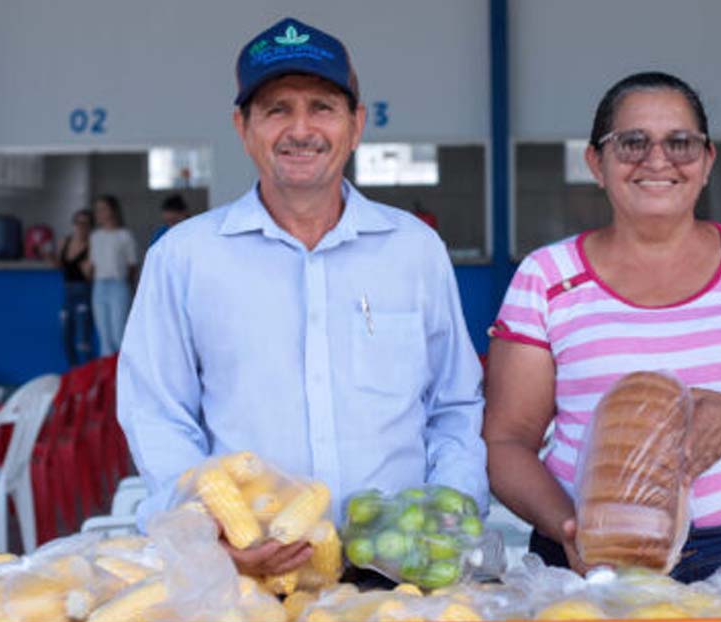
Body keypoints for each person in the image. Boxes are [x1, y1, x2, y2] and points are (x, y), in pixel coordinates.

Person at [117, 17, 487, 580]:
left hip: (399, 567)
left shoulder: (414, 250)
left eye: (322, 107)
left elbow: (454, 406)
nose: (301, 128)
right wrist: (209, 529)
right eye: (276, 109)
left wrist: (444, 517)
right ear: (243, 127)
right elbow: (157, 414)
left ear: (356, 124)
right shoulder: (186, 257)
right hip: (250, 571)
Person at [482, 71, 721, 603]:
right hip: (589, 558)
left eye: (679, 143)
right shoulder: (547, 277)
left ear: (706, 161)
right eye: (632, 142)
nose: (657, 160)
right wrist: (570, 527)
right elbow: (507, 442)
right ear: (597, 163)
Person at [89, 194, 138, 356]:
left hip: (118, 285)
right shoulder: (95, 237)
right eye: (97, 210)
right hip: (99, 286)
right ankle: (110, 379)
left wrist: (129, 288)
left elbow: (132, 265)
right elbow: (93, 265)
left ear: (113, 211)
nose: (99, 213)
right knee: (105, 338)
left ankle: (127, 377)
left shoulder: (124, 235)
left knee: (119, 334)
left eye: (103, 209)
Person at [50, 208, 94, 366]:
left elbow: (90, 274)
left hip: (84, 291)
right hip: (68, 291)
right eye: (78, 223)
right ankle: (75, 373)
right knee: (65, 337)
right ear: (73, 224)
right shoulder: (65, 241)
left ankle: (87, 376)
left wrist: (88, 268)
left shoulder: (92, 245)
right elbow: (59, 265)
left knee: (83, 340)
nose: (81, 227)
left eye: (85, 224)